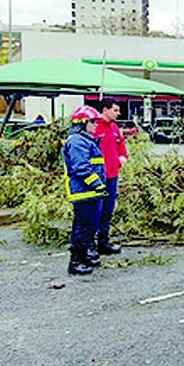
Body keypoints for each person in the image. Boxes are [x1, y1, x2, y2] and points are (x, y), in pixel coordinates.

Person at [63, 105, 108, 276]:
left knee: (87, 227)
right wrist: (98, 184)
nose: (96, 125)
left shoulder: (85, 140)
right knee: (83, 228)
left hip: (91, 192)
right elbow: (81, 168)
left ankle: (83, 258)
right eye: (93, 122)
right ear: (82, 123)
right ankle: (76, 262)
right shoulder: (77, 141)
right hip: (85, 192)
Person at [93, 98, 127, 256]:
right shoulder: (94, 127)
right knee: (95, 210)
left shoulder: (114, 128)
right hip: (96, 177)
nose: (118, 114)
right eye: (115, 110)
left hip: (113, 174)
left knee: (108, 209)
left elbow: (121, 146)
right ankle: (90, 243)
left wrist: (123, 157)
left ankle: (103, 242)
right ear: (105, 110)